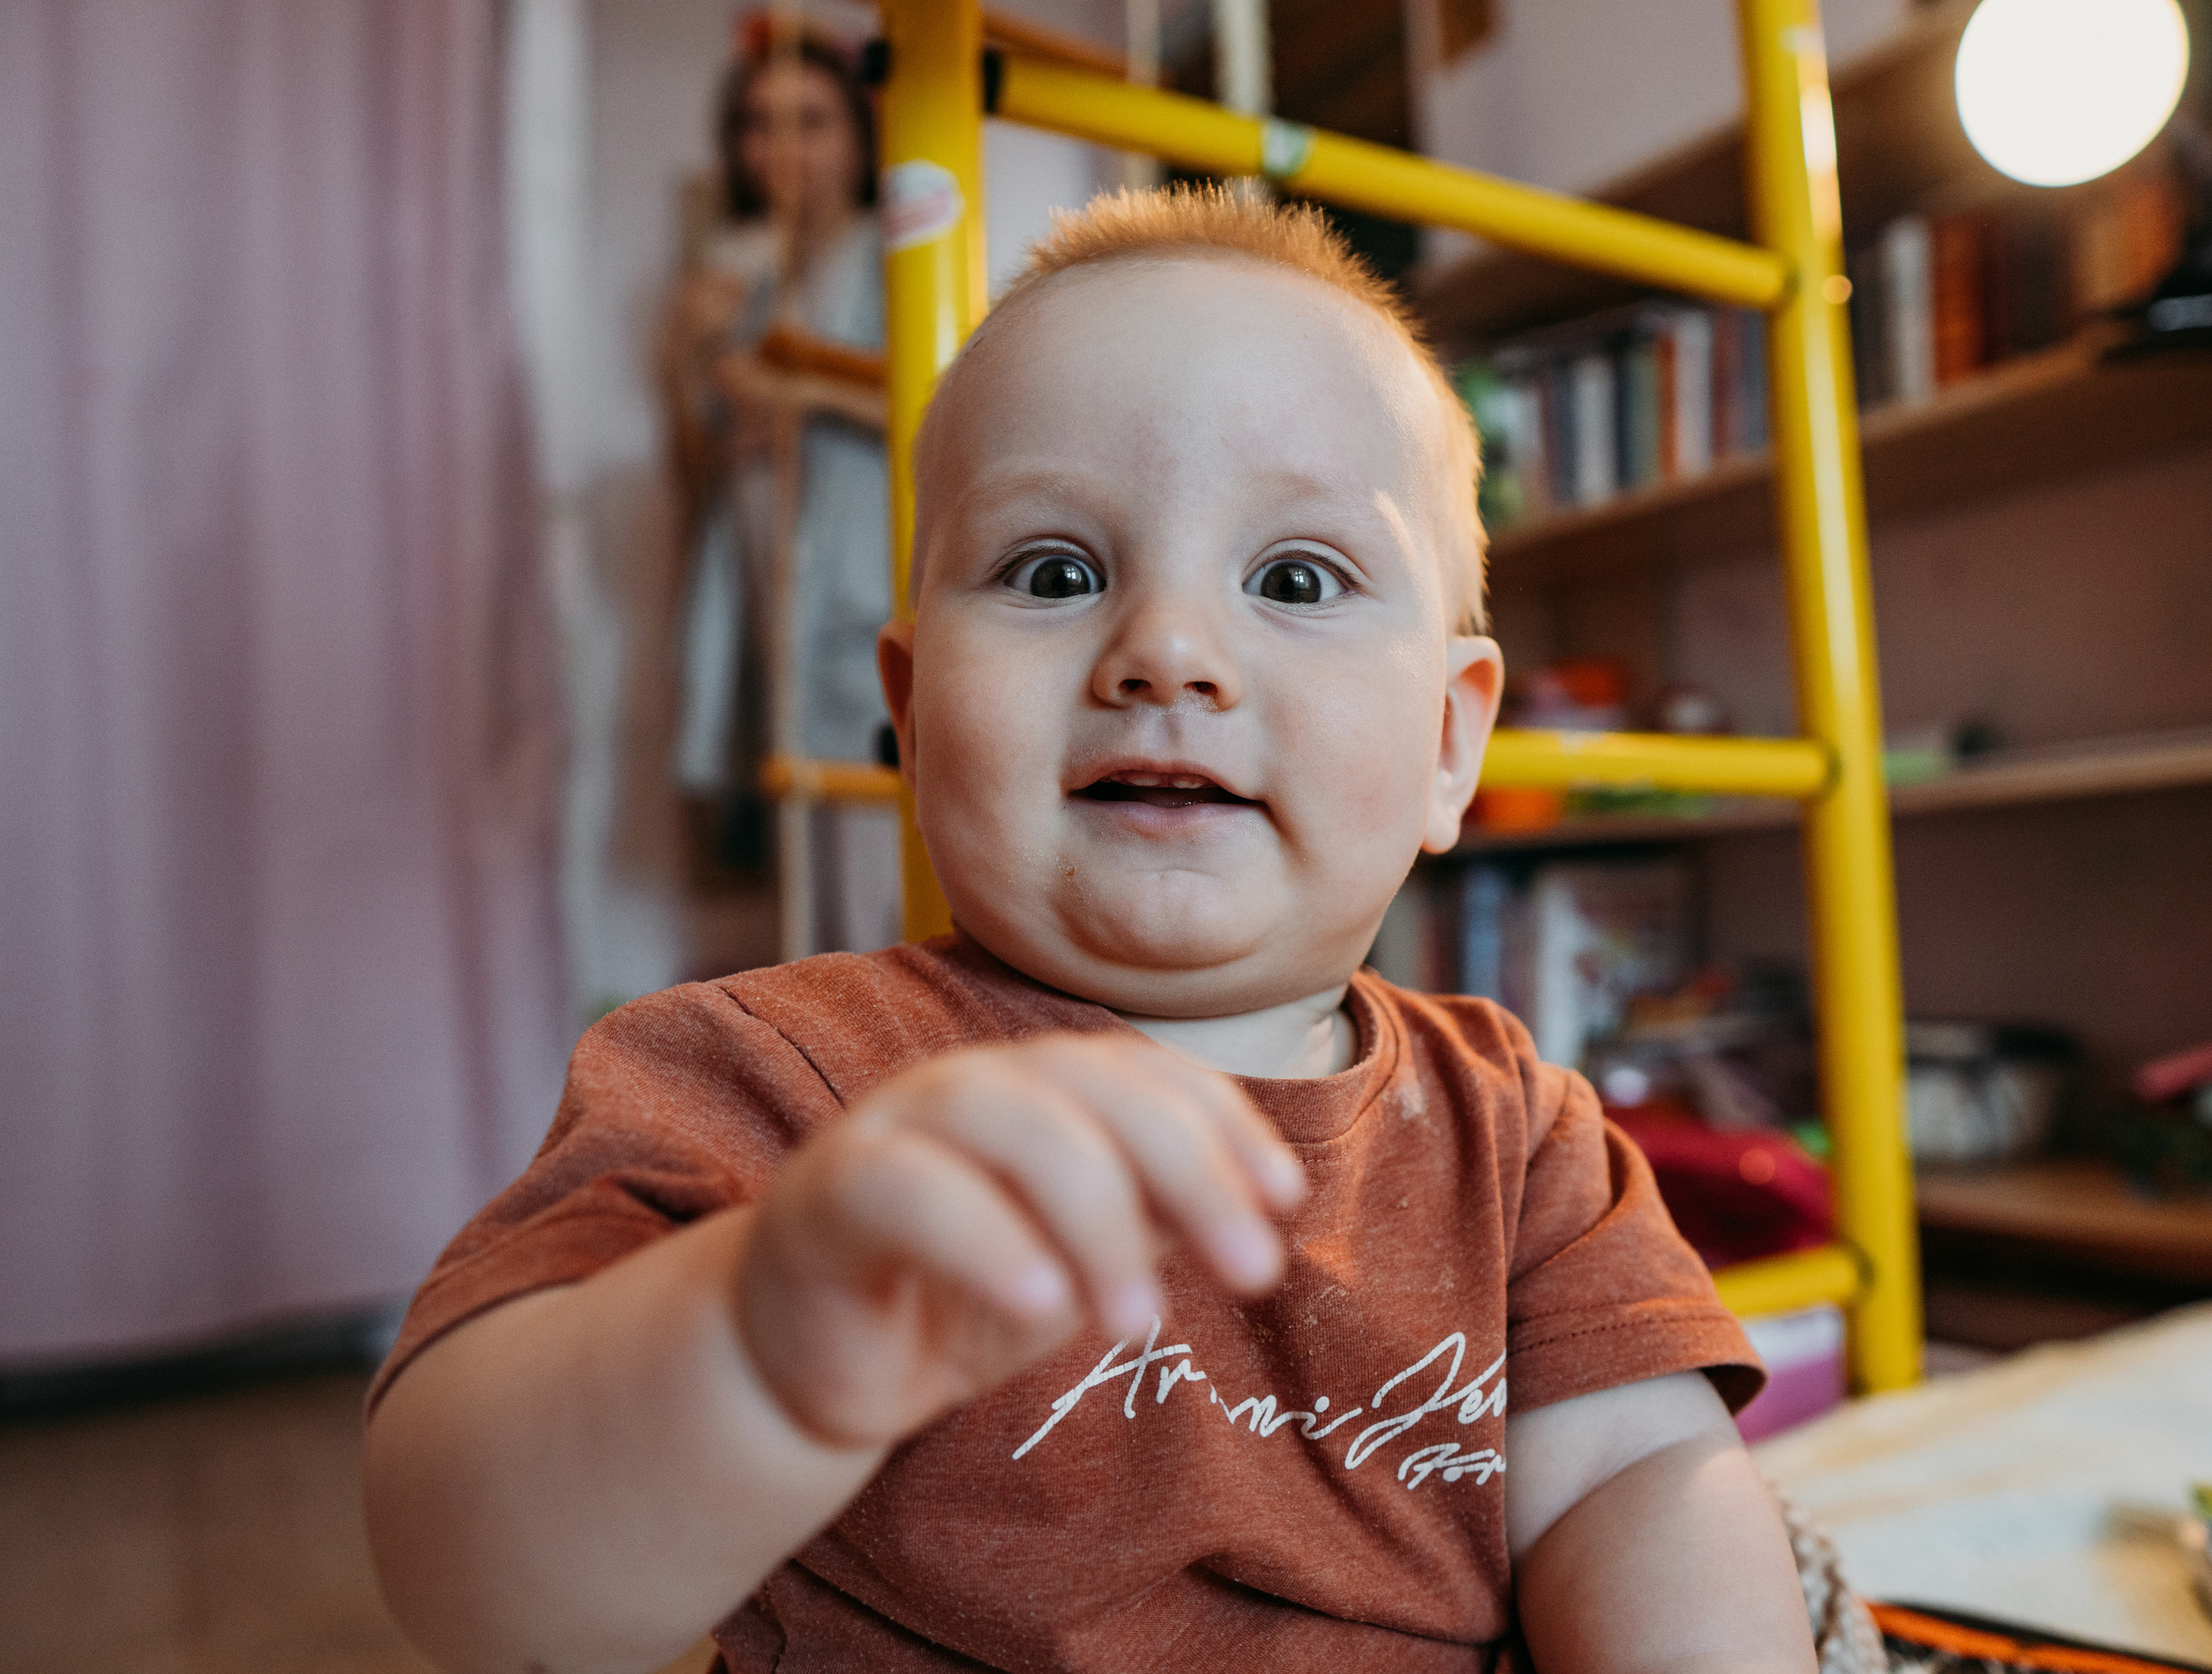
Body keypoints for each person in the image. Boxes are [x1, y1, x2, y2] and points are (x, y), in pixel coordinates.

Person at [365, 185, 1818, 1674]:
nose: (1167, 650)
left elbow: (1641, 1476)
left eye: (1294, 578)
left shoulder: (1519, 1134)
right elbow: (476, 1578)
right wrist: (754, 1334)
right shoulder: (769, 1078)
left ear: (1451, 743)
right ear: (914, 714)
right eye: (1055, 572)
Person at [664, 12, 897, 951]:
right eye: (760, 124)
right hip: (778, 615)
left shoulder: (895, 253)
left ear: (860, 139)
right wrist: (687, 356)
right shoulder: (746, 275)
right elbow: (701, 470)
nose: (783, 148)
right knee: (811, 903)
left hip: (865, 609)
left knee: (879, 901)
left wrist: (802, 389)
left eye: (812, 121)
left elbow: (949, 410)